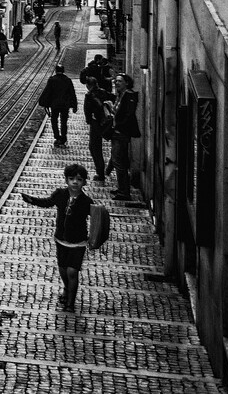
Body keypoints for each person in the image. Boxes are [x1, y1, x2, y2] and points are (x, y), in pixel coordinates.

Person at [22, 163, 95, 311]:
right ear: (66, 180)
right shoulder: (60, 195)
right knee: (62, 269)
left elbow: (97, 219)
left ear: (84, 182)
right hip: (61, 239)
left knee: (72, 271)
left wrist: (94, 238)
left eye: (79, 179)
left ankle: (70, 303)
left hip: (78, 242)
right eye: (71, 179)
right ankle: (67, 289)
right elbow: (47, 203)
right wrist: (32, 200)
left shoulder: (87, 202)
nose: (75, 182)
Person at [108, 74, 142, 200]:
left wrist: (118, 127)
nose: (116, 83)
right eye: (115, 81)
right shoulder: (120, 95)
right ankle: (121, 188)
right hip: (117, 132)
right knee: (118, 161)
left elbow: (128, 115)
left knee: (119, 162)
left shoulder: (129, 95)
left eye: (119, 81)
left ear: (127, 83)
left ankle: (124, 192)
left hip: (121, 133)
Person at [38, 64, 78, 147]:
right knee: (64, 122)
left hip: (54, 104)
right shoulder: (67, 80)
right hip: (65, 105)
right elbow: (72, 93)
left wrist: (45, 103)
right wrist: (74, 105)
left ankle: (57, 137)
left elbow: (47, 92)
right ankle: (63, 137)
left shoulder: (52, 80)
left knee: (54, 121)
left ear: (56, 71)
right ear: (63, 71)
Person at [82, 77, 112, 183]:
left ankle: (101, 173)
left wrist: (89, 121)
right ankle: (106, 170)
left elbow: (87, 111)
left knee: (95, 148)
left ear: (88, 85)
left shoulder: (89, 95)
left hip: (96, 124)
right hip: (106, 123)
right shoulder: (103, 92)